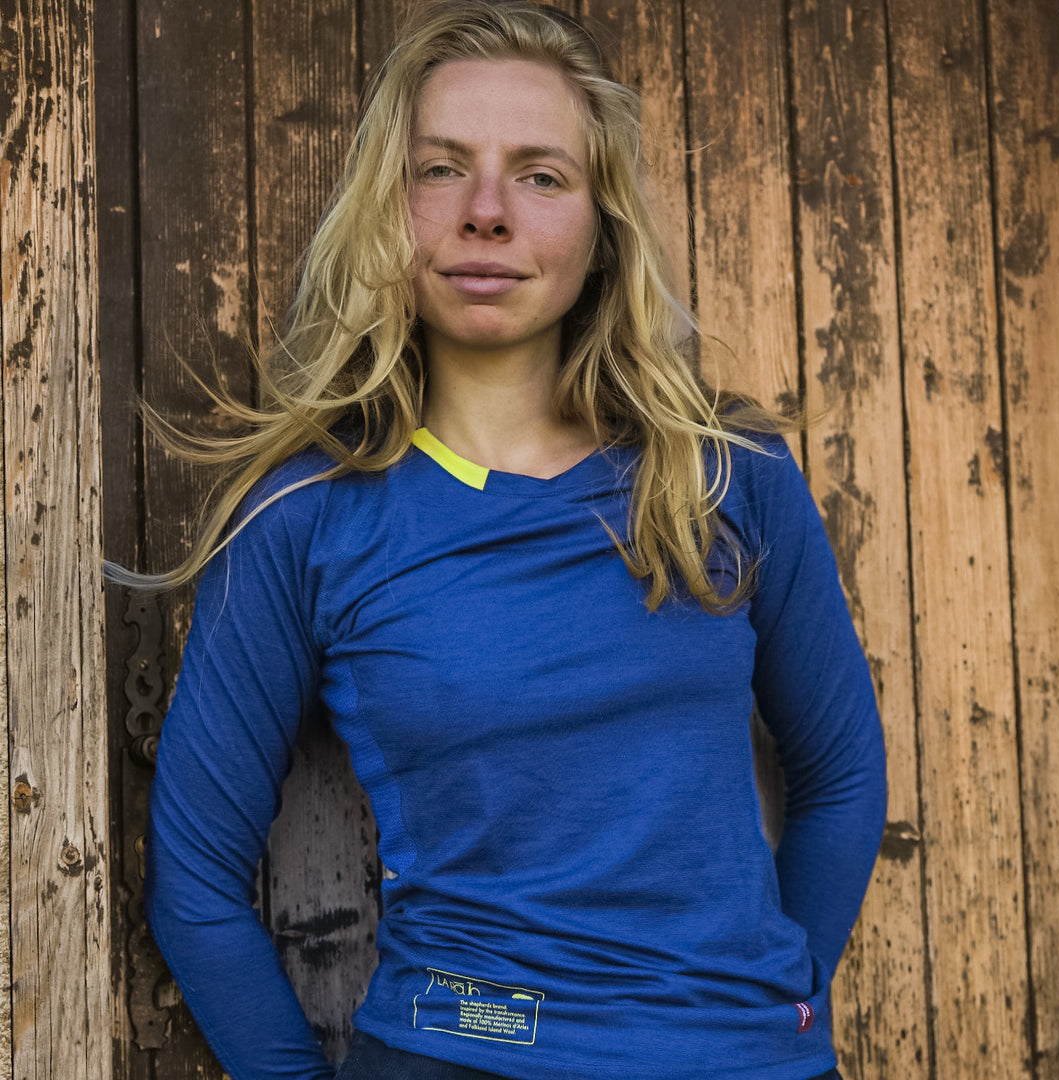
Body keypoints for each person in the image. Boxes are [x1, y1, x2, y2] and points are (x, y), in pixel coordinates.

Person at [131, 2, 887, 1078]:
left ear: (602, 220)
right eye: (442, 169)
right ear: (388, 209)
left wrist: (777, 1008)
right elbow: (197, 879)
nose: (487, 213)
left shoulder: (731, 475)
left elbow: (843, 772)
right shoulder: (305, 516)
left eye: (540, 175)